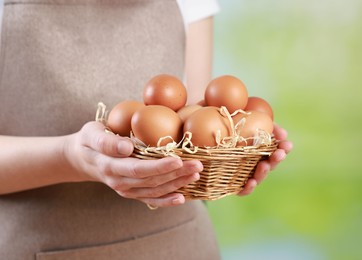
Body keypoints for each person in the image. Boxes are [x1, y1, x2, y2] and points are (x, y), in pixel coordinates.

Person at [0, 0, 292, 259]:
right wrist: (69, 157)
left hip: (181, 243)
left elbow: (196, 121)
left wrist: (231, 158)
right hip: (35, 242)